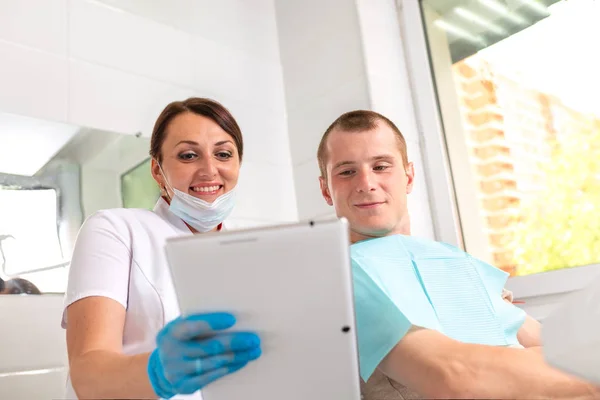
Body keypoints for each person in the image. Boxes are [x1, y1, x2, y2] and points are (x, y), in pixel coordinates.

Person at [316, 110, 600, 399]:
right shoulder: (342, 277)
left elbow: (553, 346)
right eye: (347, 171)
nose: (366, 183)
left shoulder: (456, 262)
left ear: (409, 176)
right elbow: (456, 377)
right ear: (326, 190)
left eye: (381, 166)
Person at [62, 98, 261, 399]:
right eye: (188, 155)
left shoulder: (253, 248)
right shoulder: (115, 229)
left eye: (223, 154)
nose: (209, 169)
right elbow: (87, 377)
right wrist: (158, 372)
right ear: (157, 171)